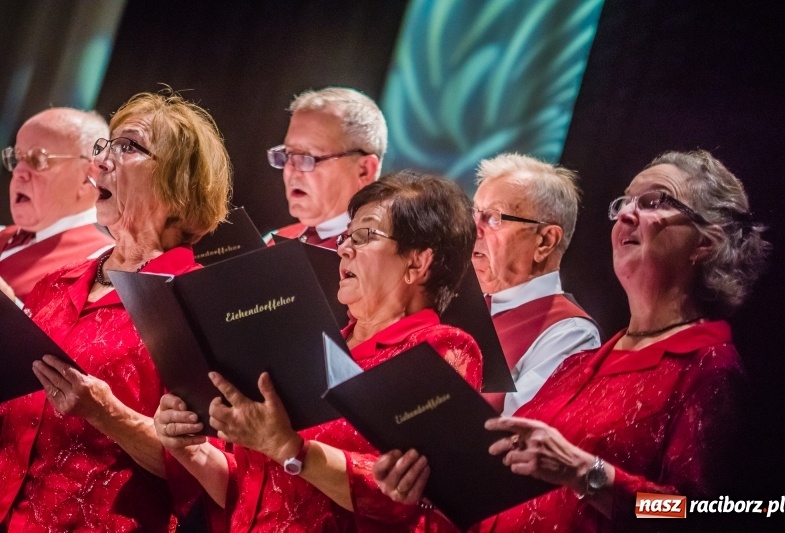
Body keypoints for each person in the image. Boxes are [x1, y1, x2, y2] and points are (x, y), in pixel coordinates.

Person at [374, 150, 770, 532]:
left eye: (654, 202)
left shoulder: (709, 366)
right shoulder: (582, 364)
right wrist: (424, 484)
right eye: (625, 203)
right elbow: (499, 477)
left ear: (707, 243)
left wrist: (586, 474)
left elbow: (702, 515)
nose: (627, 213)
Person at [155, 171, 482, 532]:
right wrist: (191, 449)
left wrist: (287, 447)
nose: (344, 248)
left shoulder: (441, 348)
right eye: (346, 236)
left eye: (364, 235)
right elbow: (244, 489)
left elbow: (407, 497)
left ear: (418, 262)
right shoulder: (311, 347)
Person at [0, 91, 231, 532]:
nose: (99, 163)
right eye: (104, 147)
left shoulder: (194, 302)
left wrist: (107, 413)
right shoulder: (60, 281)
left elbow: (206, 473)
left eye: (128, 147)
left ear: (179, 181)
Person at [472, 154, 600, 415]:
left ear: (545, 241)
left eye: (494, 218)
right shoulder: (459, 302)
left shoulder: (570, 334)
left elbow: (516, 434)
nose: (474, 229)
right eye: (474, 214)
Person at [0, 108, 115, 303]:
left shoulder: (102, 262)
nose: (19, 171)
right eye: (18, 158)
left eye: (39, 159)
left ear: (89, 177)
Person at [265, 86, 387, 248]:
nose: (289, 170)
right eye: (288, 154)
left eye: (308, 157)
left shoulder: (380, 257)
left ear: (364, 170)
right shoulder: (272, 242)